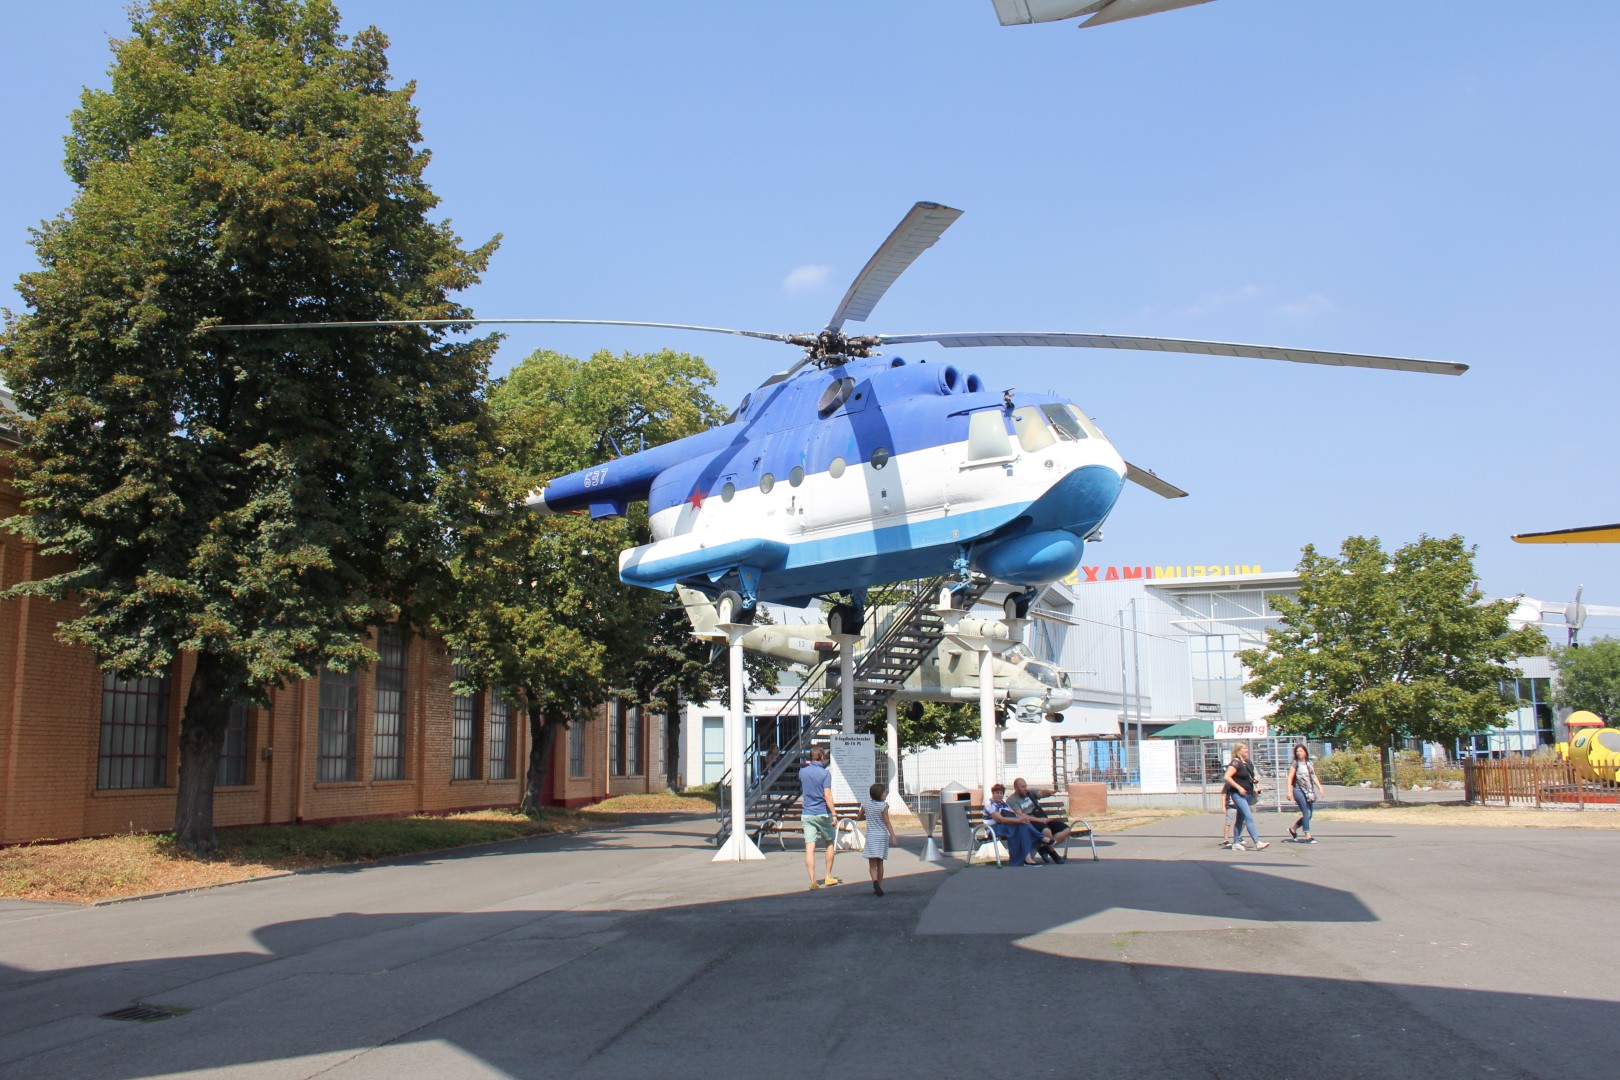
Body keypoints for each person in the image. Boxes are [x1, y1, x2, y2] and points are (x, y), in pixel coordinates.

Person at [800, 746, 841, 888]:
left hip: (807, 813)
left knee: (809, 847)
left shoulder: (802, 772)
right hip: (823, 812)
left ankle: (813, 881)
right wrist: (834, 814)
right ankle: (828, 876)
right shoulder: (825, 774)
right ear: (822, 758)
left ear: (811, 758)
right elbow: (827, 795)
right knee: (829, 842)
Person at [983, 782, 1045, 867]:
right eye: (997, 793)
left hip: (1006, 826)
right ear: (993, 793)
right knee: (1021, 825)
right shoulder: (990, 804)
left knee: (1023, 825)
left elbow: (1012, 814)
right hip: (993, 829)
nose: (999, 795)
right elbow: (1000, 819)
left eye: (1001, 793)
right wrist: (1019, 820)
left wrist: (1022, 819)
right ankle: (1040, 837)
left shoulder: (1003, 804)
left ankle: (1027, 859)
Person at [1008, 776, 1069, 863]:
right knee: (1047, 832)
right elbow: (1021, 815)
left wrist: (1049, 792)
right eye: (1022, 787)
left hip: (1042, 817)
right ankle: (1053, 854)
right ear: (1015, 788)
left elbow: (1041, 793)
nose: (1025, 789)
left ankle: (1044, 848)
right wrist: (1040, 820)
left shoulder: (1030, 792)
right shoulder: (1012, 800)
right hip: (1031, 821)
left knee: (1066, 830)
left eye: (1025, 786)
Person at [1222, 743, 1268, 851]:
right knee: (1248, 816)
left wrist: (1256, 780)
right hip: (1238, 794)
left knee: (1240, 818)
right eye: (1244, 748)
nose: (1247, 750)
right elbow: (1227, 777)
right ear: (1238, 751)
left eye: (1247, 748)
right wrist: (1238, 787)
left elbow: (1251, 776)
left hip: (1248, 793)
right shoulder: (1235, 763)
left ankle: (1236, 842)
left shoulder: (1248, 763)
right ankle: (1257, 842)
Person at [859, 782, 895, 895]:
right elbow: (887, 821)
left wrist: (867, 815)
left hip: (871, 836)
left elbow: (859, 817)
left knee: (872, 864)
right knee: (880, 862)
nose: (885, 794)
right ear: (879, 794)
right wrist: (893, 836)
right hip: (882, 836)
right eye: (884, 792)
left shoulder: (866, 804)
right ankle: (879, 884)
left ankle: (874, 881)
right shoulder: (884, 806)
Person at [1287, 743, 1324, 843]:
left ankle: (1293, 829)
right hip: (1298, 790)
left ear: (1305, 752)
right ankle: (1308, 835)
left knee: (1309, 814)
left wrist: (1320, 787)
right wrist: (1289, 792)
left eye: (1300, 751)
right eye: (1297, 751)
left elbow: (1313, 776)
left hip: (1309, 791)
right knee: (1306, 812)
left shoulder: (1309, 763)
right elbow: (1290, 777)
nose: (1299, 753)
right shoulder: (1295, 763)